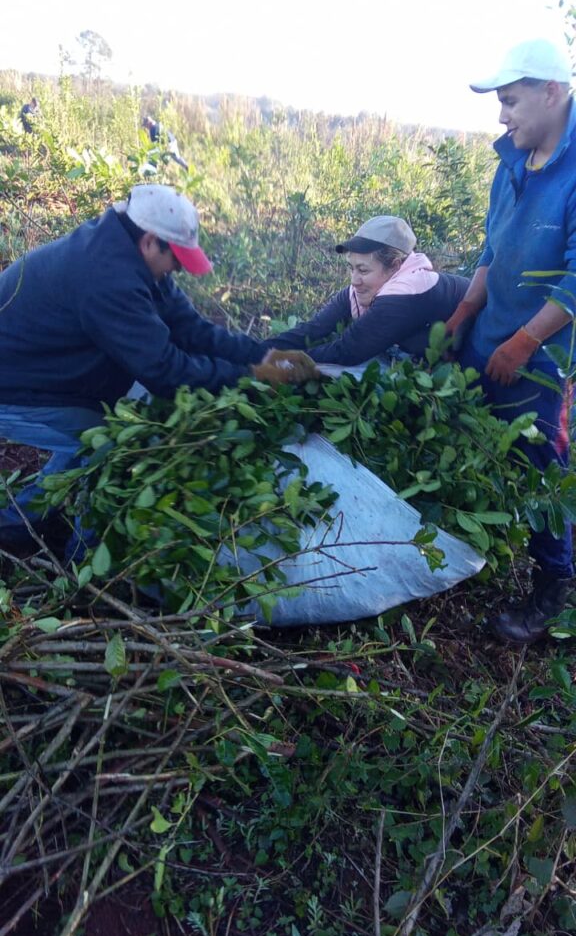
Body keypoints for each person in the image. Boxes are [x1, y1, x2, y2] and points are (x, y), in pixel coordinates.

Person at [0, 184, 319, 548]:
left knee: (97, 429)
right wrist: (250, 377)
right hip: (13, 385)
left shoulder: (131, 251)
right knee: (107, 447)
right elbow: (164, 371)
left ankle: (24, 521)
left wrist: (261, 354)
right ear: (151, 242)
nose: (178, 269)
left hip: (49, 366)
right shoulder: (106, 278)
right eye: (177, 259)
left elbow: (190, 328)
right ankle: (81, 557)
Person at [444, 38, 576, 644]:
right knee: (466, 432)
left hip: (540, 360)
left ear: (552, 92)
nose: (502, 117)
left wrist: (524, 342)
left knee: (541, 465)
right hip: (488, 338)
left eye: (511, 102)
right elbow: (491, 249)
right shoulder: (512, 162)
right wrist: (465, 311)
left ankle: (553, 588)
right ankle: (474, 542)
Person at [268, 216, 469, 365]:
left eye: (363, 270)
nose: (354, 281)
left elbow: (347, 350)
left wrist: (280, 363)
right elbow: (314, 328)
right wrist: (259, 352)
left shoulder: (407, 291)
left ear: (395, 266)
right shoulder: (363, 287)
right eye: (352, 268)